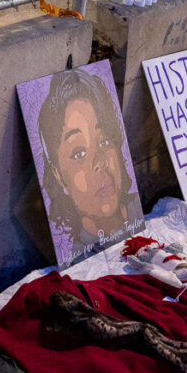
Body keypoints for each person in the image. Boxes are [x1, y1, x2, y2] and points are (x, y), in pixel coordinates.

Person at [37, 68, 143, 261]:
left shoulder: (141, 214)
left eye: (104, 141)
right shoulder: (79, 262)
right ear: (59, 175)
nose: (100, 162)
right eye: (79, 153)